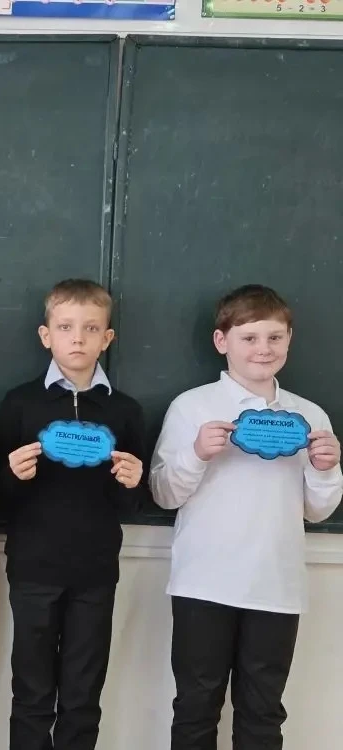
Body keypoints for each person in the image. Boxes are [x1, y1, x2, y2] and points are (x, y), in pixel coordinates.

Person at [150, 284, 343, 750]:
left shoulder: (309, 415)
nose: (263, 348)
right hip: (203, 583)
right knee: (196, 706)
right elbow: (163, 494)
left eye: (275, 337)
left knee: (263, 712)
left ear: (289, 340)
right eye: (250, 337)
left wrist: (326, 468)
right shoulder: (192, 407)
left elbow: (317, 510)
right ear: (222, 341)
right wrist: (196, 453)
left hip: (276, 586)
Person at [0, 278, 148, 750]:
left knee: (83, 695)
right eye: (65, 327)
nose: (77, 338)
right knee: (32, 692)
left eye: (90, 328)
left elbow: (129, 505)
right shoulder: (20, 403)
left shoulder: (125, 411)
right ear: (46, 336)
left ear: (107, 338)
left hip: (95, 571)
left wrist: (132, 482)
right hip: (33, 567)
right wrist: (11, 475)